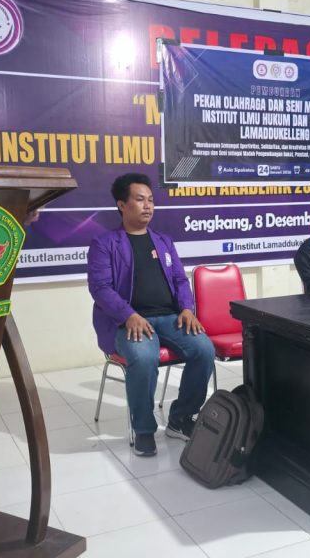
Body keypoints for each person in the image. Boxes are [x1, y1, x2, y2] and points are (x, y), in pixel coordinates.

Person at [87, 173, 215, 457]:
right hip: (127, 322)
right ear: (122, 205)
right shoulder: (104, 243)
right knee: (144, 357)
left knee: (204, 349)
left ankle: (181, 418)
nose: (148, 206)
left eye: (151, 200)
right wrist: (128, 315)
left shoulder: (163, 241)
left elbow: (180, 280)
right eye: (140, 199)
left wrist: (187, 309)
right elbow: (100, 288)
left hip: (170, 317)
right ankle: (144, 429)